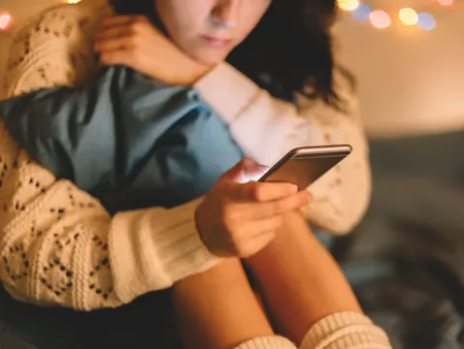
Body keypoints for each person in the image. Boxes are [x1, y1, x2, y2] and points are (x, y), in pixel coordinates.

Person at [0, 0, 391, 349]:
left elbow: (346, 202)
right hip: (136, 285)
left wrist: (199, 73)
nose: (228, 16)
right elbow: (24, 256)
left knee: (270, 202)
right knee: (218, 227)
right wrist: (196, 231)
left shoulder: (297, 33)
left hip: (279, 268)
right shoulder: (63, 37)